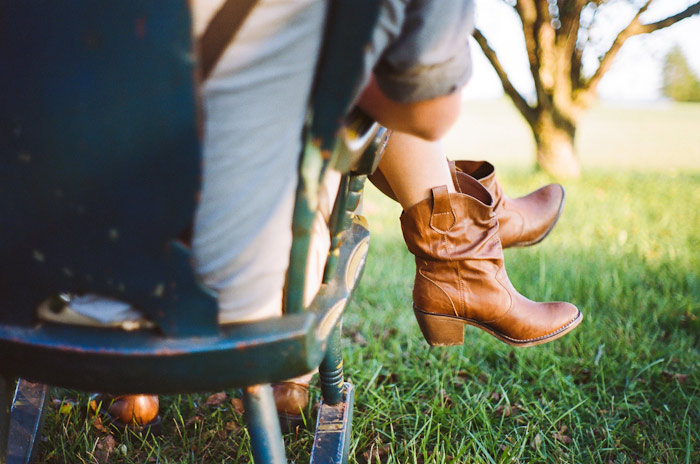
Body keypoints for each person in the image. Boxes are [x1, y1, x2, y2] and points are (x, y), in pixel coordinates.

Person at [95, 0, 581, 427]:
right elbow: (424, 109)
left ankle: (473, 241)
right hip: (250, 301)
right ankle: (468, 249)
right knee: (373, 81)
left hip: (50, 295)